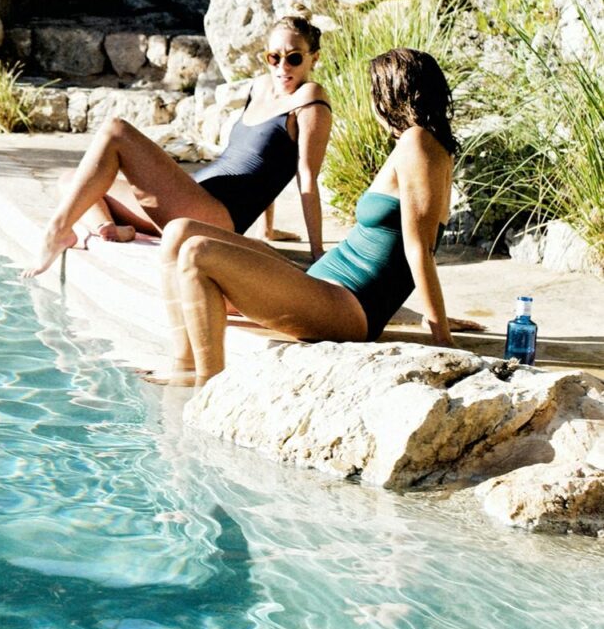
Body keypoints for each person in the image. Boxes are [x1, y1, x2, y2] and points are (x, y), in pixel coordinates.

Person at [156, 47, 461, 386]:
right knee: (179, 231)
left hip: (347, 307)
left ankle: (206, 383)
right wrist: (428, 318)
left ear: (391, 94)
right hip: (321, 284)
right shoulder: (417, 142)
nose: (373, 104)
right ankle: (183, 363)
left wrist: (442, 338)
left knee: (199, 252)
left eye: (375, 92)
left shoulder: (419, 143)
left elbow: (418, 248)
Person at [24, 16, 333, 276]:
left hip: (214, 214)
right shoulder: (262, 87)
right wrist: (266, 230)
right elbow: (265, 160)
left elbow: (305, 177)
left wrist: (317, 253)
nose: (282, 67)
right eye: (273, 57)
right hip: (191, 197)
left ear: (313, 58)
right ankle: (110, 229)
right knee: (71, 180)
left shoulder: (311, 101)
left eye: (294, 58)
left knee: (115, 131)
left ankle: (56, 232)